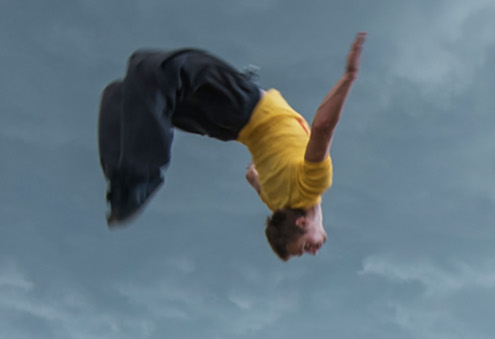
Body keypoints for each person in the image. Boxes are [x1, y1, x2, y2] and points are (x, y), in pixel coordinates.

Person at [97, 33, 365, 260]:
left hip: (240, 106)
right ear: (300, 221)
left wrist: (349, 76)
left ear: (302, 222)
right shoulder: (275, 201)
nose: (313, 251)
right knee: (122, 96)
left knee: (151, 67)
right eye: (306, 248)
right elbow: (253, 177)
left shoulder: (311, 185)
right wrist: (262, 166)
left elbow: (323, 127)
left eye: (306, 247)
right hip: (223, 126)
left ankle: (137, 183)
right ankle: (121, 184)